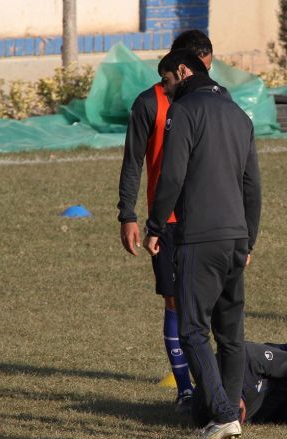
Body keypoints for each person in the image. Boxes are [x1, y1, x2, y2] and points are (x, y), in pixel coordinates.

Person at [144, 49, 262, 439]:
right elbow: (252, 185)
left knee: (192, 329)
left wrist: (155, 225)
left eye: (167, 81)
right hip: (236, 237)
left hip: (200, 236)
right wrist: (249, 238)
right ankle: (228, 412)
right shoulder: (239, 114)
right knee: (230, 334)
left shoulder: (185, 111)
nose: (165, 90)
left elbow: (172, 175)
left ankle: (225, 414)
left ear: (182, 71)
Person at [116, 30, 215, 413]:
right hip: (168, 222)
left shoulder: (214, 99)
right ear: (180, 66)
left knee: (208, 302)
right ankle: (185, 390)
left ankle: (216, 385)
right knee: (174, 300)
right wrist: (128, 214)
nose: (203, 77)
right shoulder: (149, 103)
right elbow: (133, 162)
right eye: (197, 69)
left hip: (208, 218)